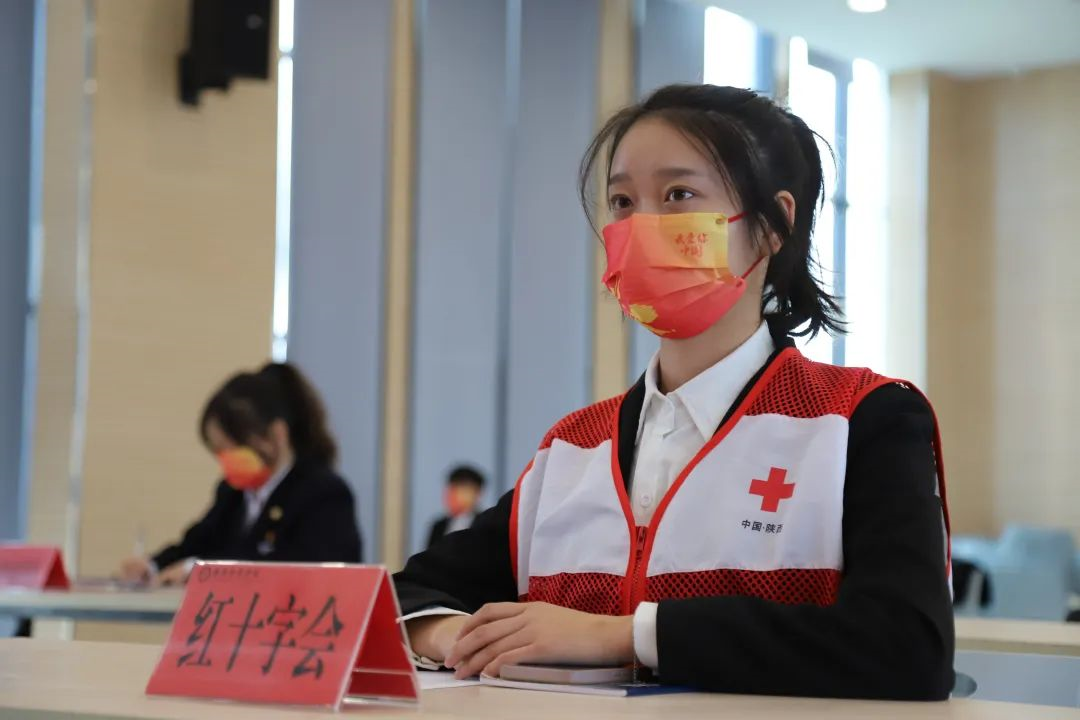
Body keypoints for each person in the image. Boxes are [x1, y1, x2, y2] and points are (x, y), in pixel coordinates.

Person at [393, 84, 953, 699]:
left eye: (678, 195)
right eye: (622, 202)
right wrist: (457, 636)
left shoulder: (861, 419)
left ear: (773, 226)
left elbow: (908, 645)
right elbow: (405, 594)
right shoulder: (573, 447)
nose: (641, 228)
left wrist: (624, 636)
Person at [117, 362, 362, 585]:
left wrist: (201, 572)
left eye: (235, 450)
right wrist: (152, 566)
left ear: (276, 434)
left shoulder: (323, 493)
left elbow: (301, 571)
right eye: (219, 452)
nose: (227, 462)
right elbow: (195, 544)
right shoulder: (232, 493)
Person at [427, 465, 486, 549]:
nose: (452, 496)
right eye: (451, 490)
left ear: (477, 493)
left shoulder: (485, 525)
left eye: (461, 490)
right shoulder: (439, 526)